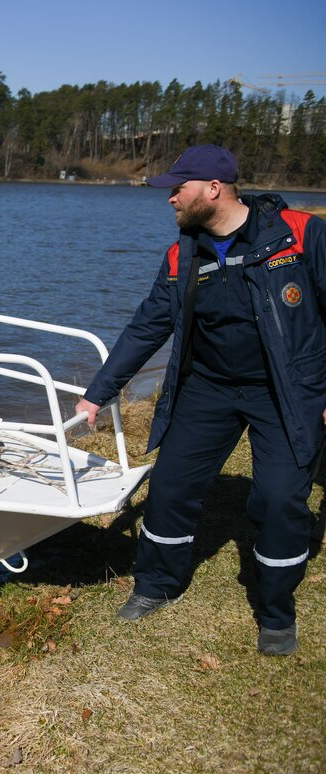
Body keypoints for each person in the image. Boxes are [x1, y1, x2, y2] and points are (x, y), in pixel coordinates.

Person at [75, 144, 326, 656]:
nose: (170, 198)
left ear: (213, 189)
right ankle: (156, 585)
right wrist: (97, 393)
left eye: (178, 187)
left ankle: (275, 612)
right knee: (169, 487)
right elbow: (148, 325)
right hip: (208, 388)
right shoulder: (181, 254)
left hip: (286, 388)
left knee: (279, 500)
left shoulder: (300, 235)